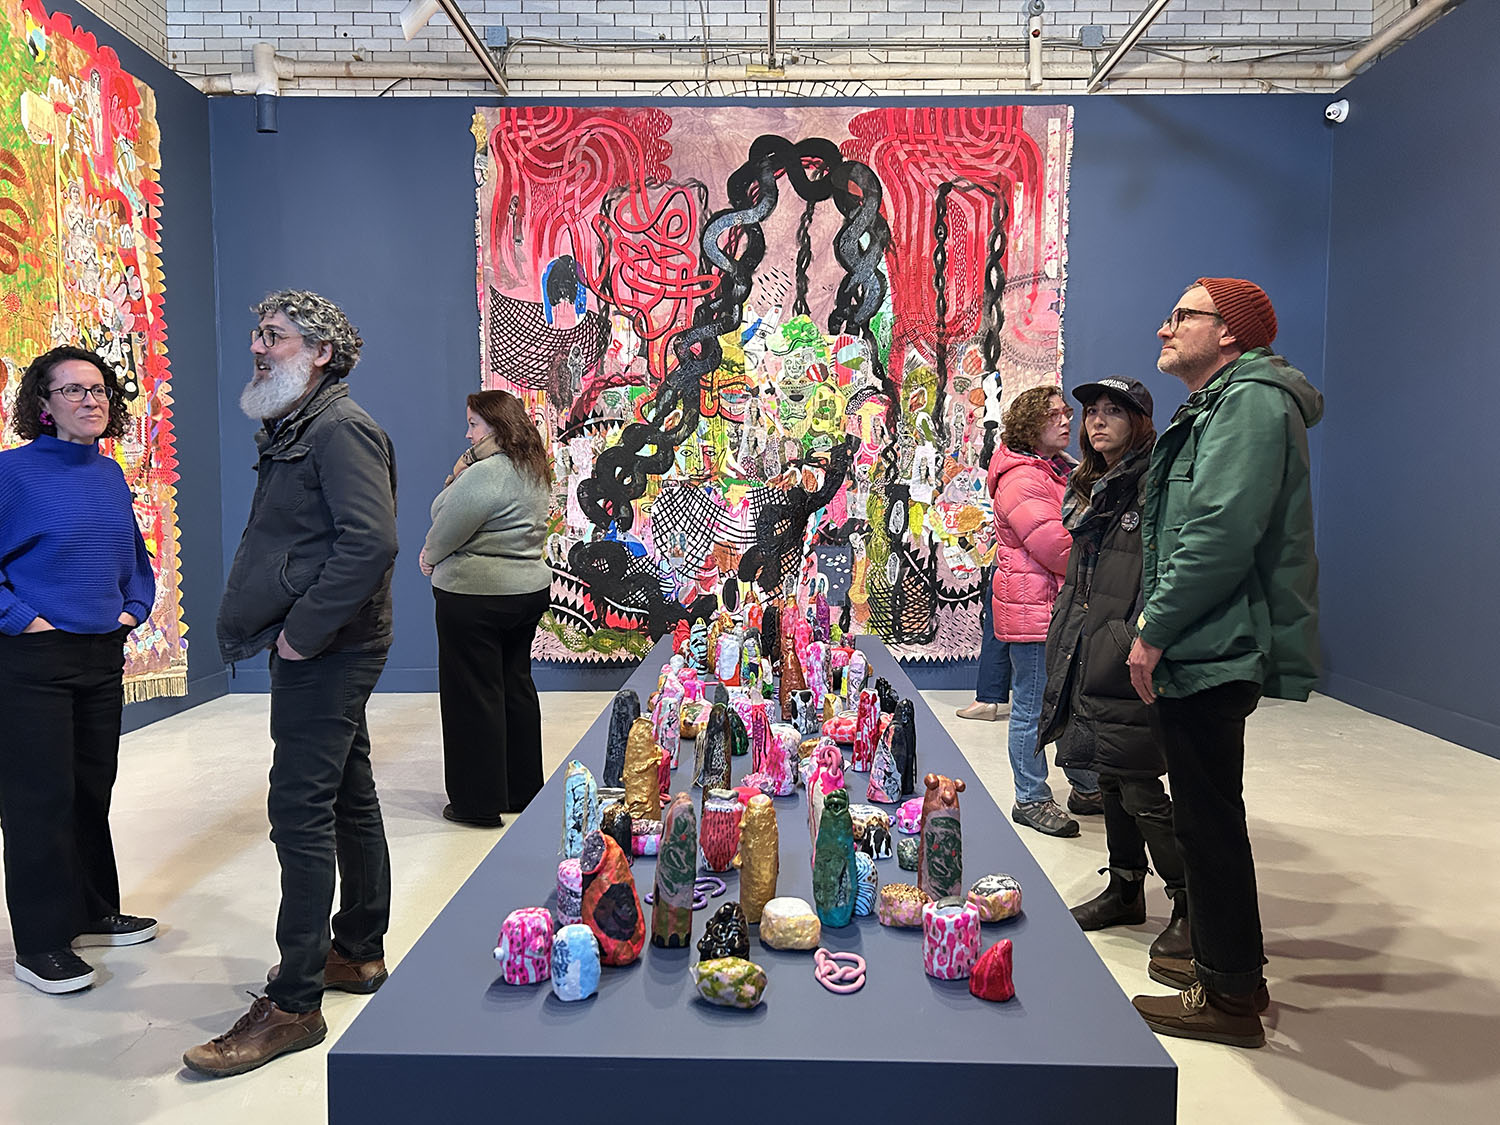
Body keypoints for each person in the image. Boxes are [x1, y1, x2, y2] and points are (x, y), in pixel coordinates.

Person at [186, 291, 398, 1078]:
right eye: (258, 333)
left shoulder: (338, 429)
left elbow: (371, 541)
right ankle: (357, 952)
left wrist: (303, 633)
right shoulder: (302, 425)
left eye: (274, 336)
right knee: (346, 793)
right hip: (331, 645)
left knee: (299, 807)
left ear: (321, 354)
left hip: (329, 650)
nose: (257, 346)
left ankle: (295, 1001)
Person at [1127, 278, 1322, 1049]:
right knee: (1209, 814)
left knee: (1208, 818)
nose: (1164, 326)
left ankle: (1231, 996)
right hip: (1204, 639)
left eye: (1182, 315)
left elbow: (1216, 534)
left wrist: (1152, 629)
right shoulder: (1221, 403)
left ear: (1230, 332)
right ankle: (1228, 968)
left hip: (1210, 641)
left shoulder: (1247, 404)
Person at [0, 347, 157, 995]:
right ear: (42, 403)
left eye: (99, 390)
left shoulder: (109, 474)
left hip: (100, 653)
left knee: (92, 787)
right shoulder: (12, 473)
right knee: (39, 798)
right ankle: (40, 943)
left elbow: (132, 556)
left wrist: (134, 608)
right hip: (33, 657)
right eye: (72, 390)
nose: (91, 400)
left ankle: (92, 909)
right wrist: (22, 619)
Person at [1037, 377, 1189, 960]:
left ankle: (1188, 901)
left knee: (1138, 782)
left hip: (1126, 650)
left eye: (1113, 412)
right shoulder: (1091, 484)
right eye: (1091, 412)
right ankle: (1126, 888)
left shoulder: (1153, 483)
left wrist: (1139, 635)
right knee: (1106, 773)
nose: (1097, 422)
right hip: (1088, 644)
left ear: (1140, 421)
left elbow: (1170, 565)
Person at [419, 389, 552, 828]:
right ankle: (522, 790)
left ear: (495, 428)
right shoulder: (533, 468)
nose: (467, 432)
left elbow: (444, 518)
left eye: (474, 424)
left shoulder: (486, 472)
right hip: (527, 592)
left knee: (472, 696)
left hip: (476, 596)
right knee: (514, 686)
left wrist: (430, 555)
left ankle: (476, 803)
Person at [988, 385, 1100, 838]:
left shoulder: (1057, 470)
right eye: (1055, 415)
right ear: (1032, 425)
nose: (1067, 421)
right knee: (1033, 709)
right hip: (1036, 612)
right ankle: (1030, 798)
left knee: (1076, 703)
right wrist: (1105, 552)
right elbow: (1056, 548)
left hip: (1057, 610)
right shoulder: (1023, 478)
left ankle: (1087, 787)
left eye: (1067, 412)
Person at [955, 563, 1011, 723]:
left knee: (998, 627)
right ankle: (987, 698)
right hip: (1027, 568)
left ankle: (987, 699)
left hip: (1014, 567)